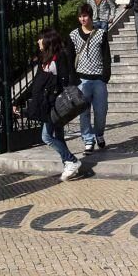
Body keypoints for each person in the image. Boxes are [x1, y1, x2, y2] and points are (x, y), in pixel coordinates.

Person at [21, 28, 82, 181]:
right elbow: (36, 84)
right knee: (59, 136)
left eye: (40, 38)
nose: (38, 41)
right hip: (48, 104)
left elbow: (65, 79)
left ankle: (72, 160)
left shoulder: (59, 56)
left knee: (46, 136)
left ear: (48, 40)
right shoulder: (45, 59)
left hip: (56, 105)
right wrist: (19, 101)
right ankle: (68, 164)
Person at [69, 3, 112, 154]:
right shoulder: (73, 35)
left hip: (99, 80)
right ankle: (88, 139)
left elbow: (107, 56)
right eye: (80, 16)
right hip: (82, 80)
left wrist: (105, 76)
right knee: (83, 113)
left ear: (91, 16)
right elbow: (70, 58)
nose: (82, 19)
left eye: (85, 16)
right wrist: (73, 79)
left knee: (101, 112)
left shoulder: (101, 33)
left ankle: (99, 134)